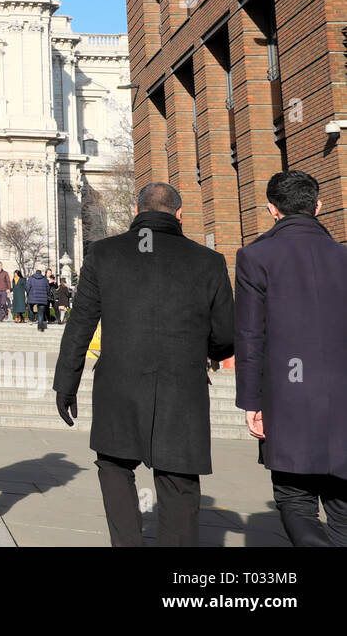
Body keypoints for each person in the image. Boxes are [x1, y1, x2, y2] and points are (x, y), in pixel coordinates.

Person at [53, 182, 234, 547]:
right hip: (182, 384)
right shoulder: (209, 261)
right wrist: (205, 353)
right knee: (179, 480)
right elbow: (226, 335)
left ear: (137, 214)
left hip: (119, 382)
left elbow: (80, 324)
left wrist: (65, 382)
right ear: (179, 215)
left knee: (115, 467)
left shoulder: (103, 254)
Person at [235, 171, 347, 546]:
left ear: (271, 210)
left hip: (287, 396)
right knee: (343, 506)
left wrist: (251, 402)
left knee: (295, 498)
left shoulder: (255, 257)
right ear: (318, 206)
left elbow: (251, 335)